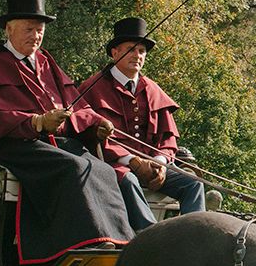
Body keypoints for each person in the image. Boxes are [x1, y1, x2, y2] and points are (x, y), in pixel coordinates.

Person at [0, 0, 152, 263]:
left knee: (104, 170)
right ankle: (84, 243)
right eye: (29, 29)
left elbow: (74, 103)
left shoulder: (46, 61)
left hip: (52, 143)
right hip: (15, 145)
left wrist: (96, 122)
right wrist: (36, 122)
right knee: (74, 168)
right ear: (9, 29)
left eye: (39, 30)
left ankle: (117, 240)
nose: (36, 36)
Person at [81, 17, 204, 215]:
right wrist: (133, 162)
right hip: (113, 166)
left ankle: (197, 239)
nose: (137, 55)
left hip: (153, 167)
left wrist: (160, 163)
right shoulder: (92, 88)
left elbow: (167, 138)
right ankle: (147, 238)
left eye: (141, 51)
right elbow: (89, 136)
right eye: (131, 49)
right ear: (115, 53)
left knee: (193, 184)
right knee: (128, 180)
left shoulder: (153, 90)